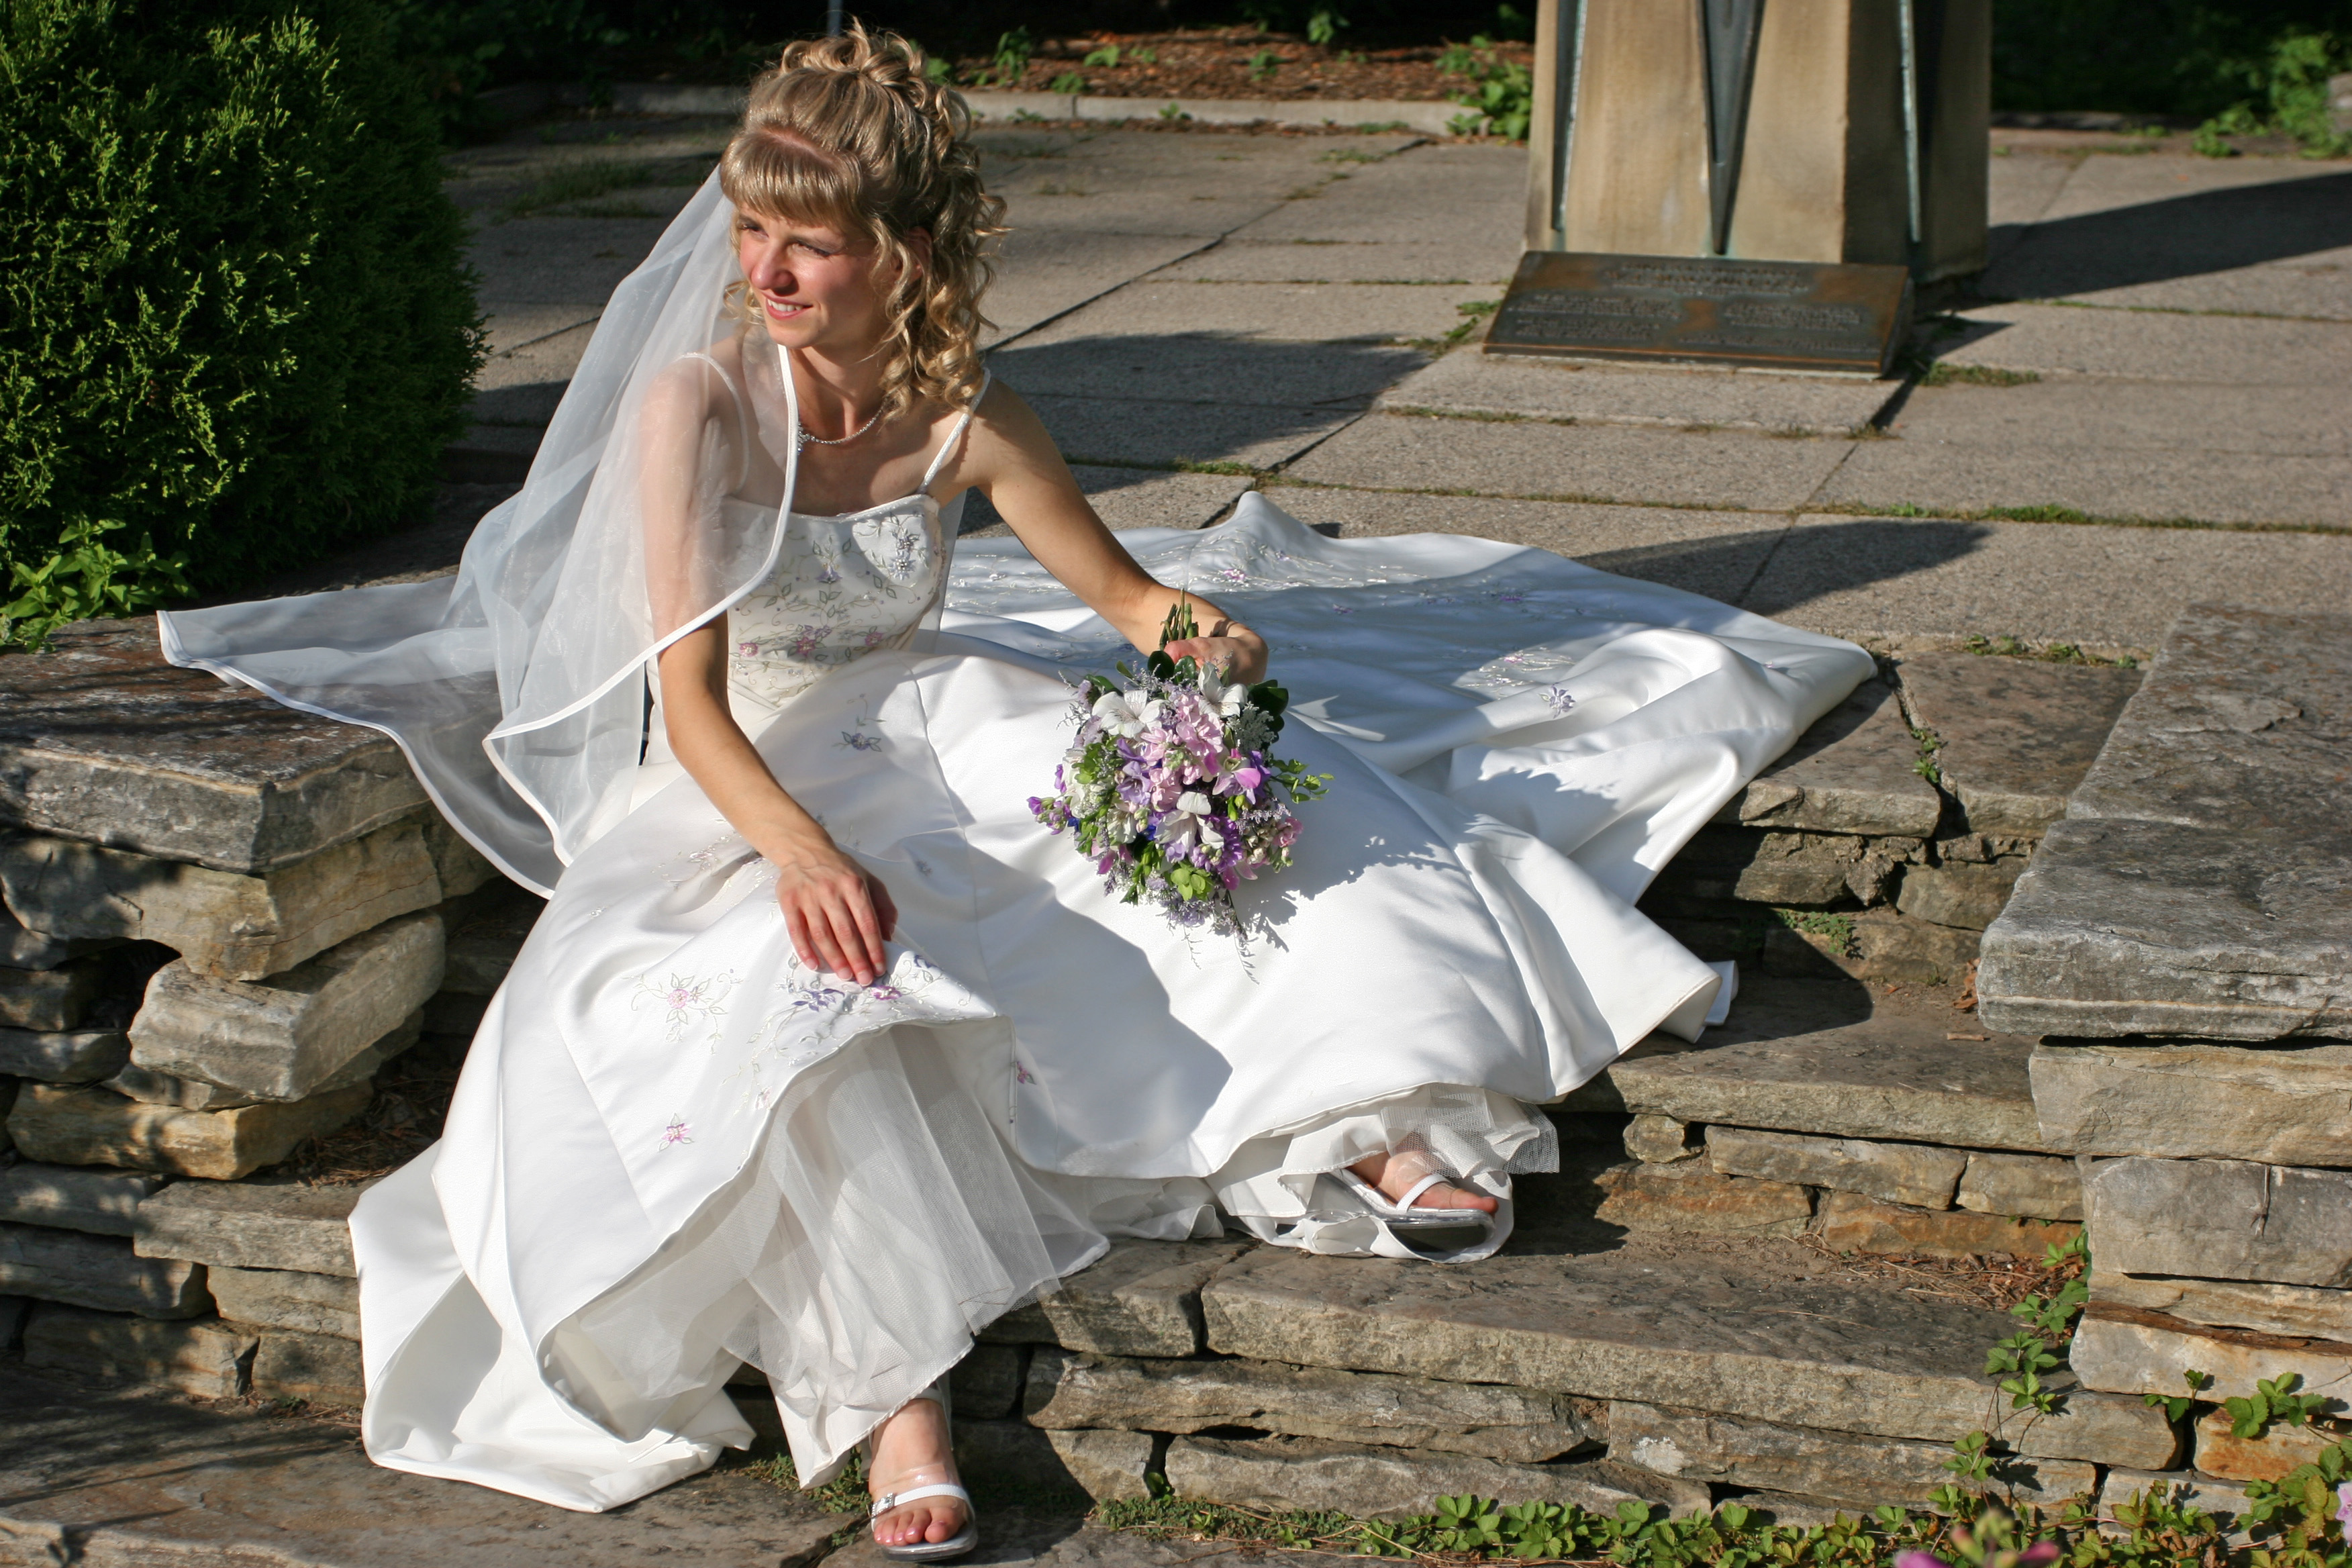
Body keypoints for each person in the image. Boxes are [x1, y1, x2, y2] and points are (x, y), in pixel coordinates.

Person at [159, 25, 1874, 1559]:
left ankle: (1380, 1124)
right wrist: (799, 851)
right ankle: (900, 1402)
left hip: (937, 719)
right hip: (749, 779)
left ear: (899, 254)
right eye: (748, 232)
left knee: (1238, 822)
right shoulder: (695, 405)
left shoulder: (967, 415)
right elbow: (684, 703)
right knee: (818, 994)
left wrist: (1210, 651)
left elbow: (1134, 607)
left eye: (804, 244)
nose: (759, 271)